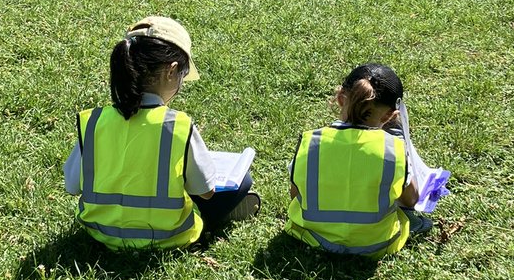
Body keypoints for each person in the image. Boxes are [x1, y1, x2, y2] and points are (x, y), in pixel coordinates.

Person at [64, 16, 259, 250]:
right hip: (167, 237)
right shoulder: (178, 125)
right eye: (183, 76)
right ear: (171, 71)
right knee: (242, 181)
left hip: (99, 232)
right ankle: (224, 216)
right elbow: (206, 191)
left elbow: (72, 186)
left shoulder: (94, 122)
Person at [285, 63, 422, 259]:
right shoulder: (393, 149)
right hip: (377, 244)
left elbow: (295, 194)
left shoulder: (310, 142)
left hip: (312, 237)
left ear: (340, 99)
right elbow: (411, 200)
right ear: (390, 116)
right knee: (414, 220)